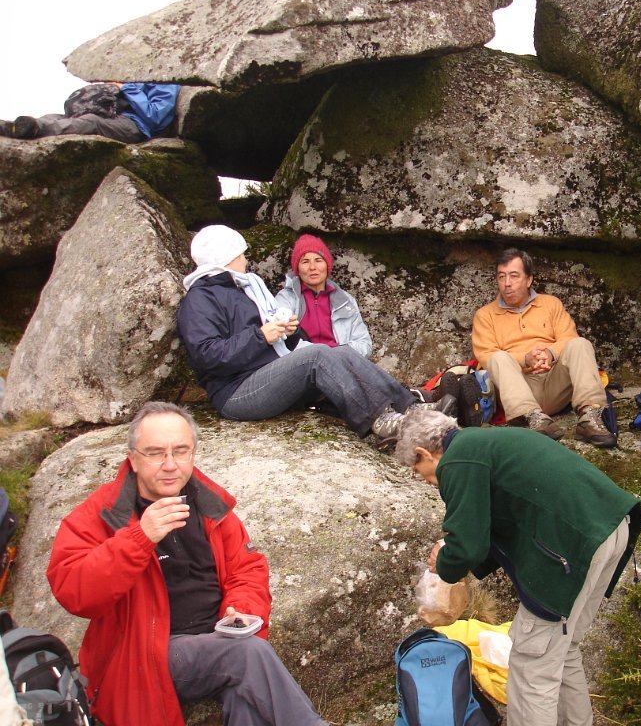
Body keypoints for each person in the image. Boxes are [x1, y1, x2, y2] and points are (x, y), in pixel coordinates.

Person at [47, 401, 329, 726]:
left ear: (193, 454)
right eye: (155, 453)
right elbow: (74, 592)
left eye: (180, 451)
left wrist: (240, 610)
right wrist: (139, 538)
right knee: (249, 653)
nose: (170, 465)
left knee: (246, 698)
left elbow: (246, 568)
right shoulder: (103, 513)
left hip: (218, 638)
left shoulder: (208, 503)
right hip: (151, 651)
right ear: (133, 459)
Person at [395, 409, 641, 726]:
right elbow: (491, 523)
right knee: (564, 650)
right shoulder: (486, 443)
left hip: (572, 549)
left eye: (417, 470)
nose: (423, 479)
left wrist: (445, 564)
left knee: (532, 666)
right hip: (611, 529)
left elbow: (468, 545)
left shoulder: (457, 459)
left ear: (424, 452)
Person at [176, 224, 453, 441]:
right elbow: (206, 356)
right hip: (235, 393)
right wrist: (261, 336)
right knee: (318, 355)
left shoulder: (243, 289)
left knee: (340, 352)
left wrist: (288, 332)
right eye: (241, 254)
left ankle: (409, 406)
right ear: (226, 257)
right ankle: (379, 421)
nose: (245, 259)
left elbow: (272, 344)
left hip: (262, 376)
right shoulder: (200, 298)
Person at [471, 247, 616, 448]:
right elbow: (485, 355)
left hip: (555, 383)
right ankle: (533, 418)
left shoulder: (550, 304)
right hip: (518, 389)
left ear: (529, 279)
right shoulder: (485, 315)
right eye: (501, 277)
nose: (507, 283)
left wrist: (550, 353)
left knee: (580, 344)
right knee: (496, 358)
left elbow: (568, 337)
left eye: (514, 276)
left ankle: (590, 417)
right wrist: (525, 359)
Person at [275, 233, 372, 356]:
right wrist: (322, 354)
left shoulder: (345, 301)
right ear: (297, 269)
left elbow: (365, 344)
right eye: (305, 261)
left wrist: (338, 353)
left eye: (318, 260)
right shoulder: (286, 299)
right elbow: (280, 342)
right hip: (303, 363)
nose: (312, 267)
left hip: (341, 361)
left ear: (327, 265)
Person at [0, 82, 180, 143]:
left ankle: (36, 129)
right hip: (112, 114)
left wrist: (126, 88)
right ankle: (16, 126)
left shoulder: (166, 83)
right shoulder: (136, 77)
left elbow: (155, 116)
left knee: (91, 122)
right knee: (59, 117)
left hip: (135, 126)